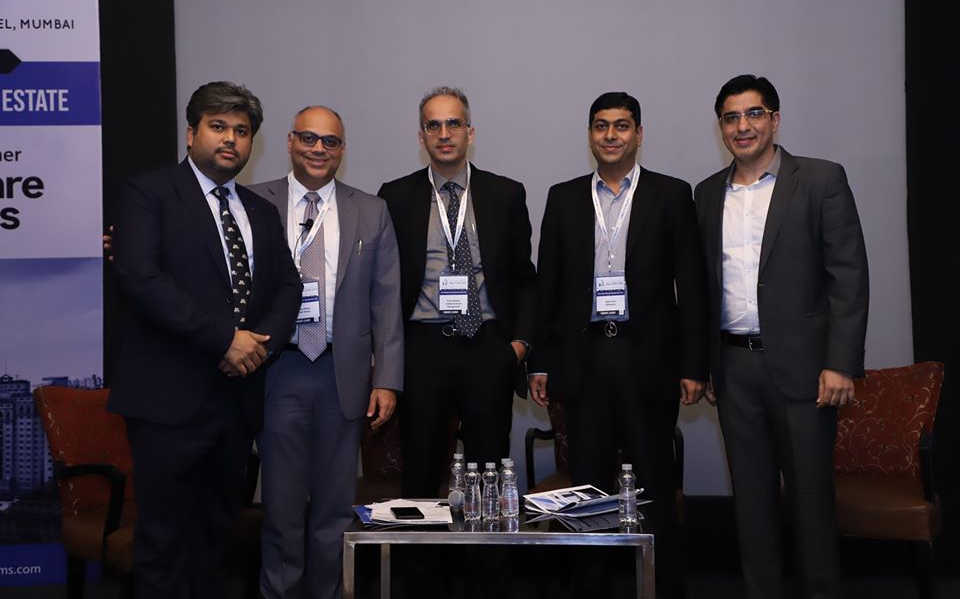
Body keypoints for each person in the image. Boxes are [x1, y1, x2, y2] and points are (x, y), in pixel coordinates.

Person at [108, 81, 302, 598]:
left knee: (217, 542)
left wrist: (257, 347)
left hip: (235, 403)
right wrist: (224, 341)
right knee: (164, 544)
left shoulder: (260, 210)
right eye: (218, 127)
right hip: (168, 401)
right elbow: (143, 279)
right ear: (191, 133)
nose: (231, 139)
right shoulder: (148, 194)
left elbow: (288, 286)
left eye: (242, 130)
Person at [694, 74, 869, 599]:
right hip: (734, 369)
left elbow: (848, 276)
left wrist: (840, 363)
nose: (742, 126)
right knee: (751, 506)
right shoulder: (707, 193)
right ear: (721, 127)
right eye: (731, 117)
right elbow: (702, 288)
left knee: (811, 503)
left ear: (774, 119)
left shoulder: (820, 179)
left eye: (754, 114)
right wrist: (705, 365)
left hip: (808, 371)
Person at [529, 91, 709, 599]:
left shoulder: (671, 194)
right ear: (590, 135)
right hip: (584, 360)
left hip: (647, 358)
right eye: (602, 126)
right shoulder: (563, 197)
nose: (611, 135)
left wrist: (694, 364)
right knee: (586, 490)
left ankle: (663, 587)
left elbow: (691, 285)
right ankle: (590, 588)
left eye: (622, 125)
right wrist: (540, 361)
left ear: (639, 134)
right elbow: (548, 286)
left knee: (654, 485)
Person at [249, 106, 403, 599]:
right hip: (277, 369)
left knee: (336, 511)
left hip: (343, 373)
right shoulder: (255, 202)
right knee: (281, 508)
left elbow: (386, 300)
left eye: (330, 141)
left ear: (342, 149)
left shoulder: (371, 211)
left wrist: (387, 379)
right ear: (290, 142)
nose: (319, 149)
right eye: (309, 138)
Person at [377, 86, 536, 498]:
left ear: (470, 132)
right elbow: (382, 283)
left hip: (487, 346)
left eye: (453, 123)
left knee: (488, 472)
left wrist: (518, 346)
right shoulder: (394, 197)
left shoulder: (506, 194)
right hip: (422, 349)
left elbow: (524, 277)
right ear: (421, 137)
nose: (444, 134)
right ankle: (423, 544)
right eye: (433, 125)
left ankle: (484, 543)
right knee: (421, 469)